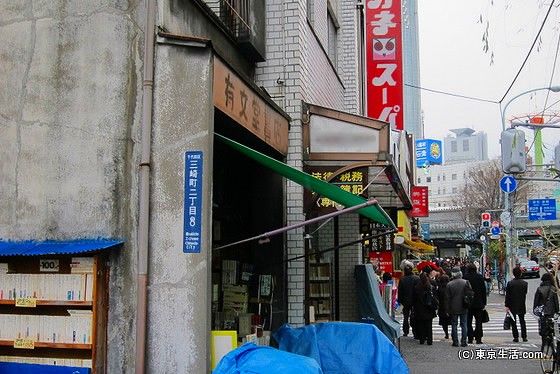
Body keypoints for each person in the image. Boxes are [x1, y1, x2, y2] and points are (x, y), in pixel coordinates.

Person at [446, 266, 473, 347]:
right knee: (464, 324)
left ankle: (455, 341)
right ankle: (464, 341)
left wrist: (447, 309)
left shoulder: (449, 284)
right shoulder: (466, 282)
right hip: (464, 305)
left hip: (453, 307)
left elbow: (447, 299)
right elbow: (471, 294)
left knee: (454, 324)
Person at [534, 272, 560, 348]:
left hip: (543, 313)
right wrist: (557, 312)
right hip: (552, 312)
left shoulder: (539, 289)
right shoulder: (553, 289)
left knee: (543, 329)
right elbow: (556, 302)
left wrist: (536, 311)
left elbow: (536, 302)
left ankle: (544, 343)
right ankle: (552, 343)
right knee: (553, 329)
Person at [463, 263, 487, 344]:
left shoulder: (465, 277)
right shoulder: (479, 277)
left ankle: (470, 337)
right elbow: (483, 290)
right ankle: (478, 338)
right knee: (479, 322)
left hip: (468, 303)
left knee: (468, 322)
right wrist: (484, 302)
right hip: (479, 302)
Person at [412, 272, 437, 345]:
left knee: (421, 325)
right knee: (429, 325)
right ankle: (429, 340)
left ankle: (422, 339)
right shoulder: (431, 287)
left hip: (419, 308)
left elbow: (414, 299)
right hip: (429, 308)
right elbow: (435, 297)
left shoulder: (416, 287)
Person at [505, 266, 528, 342]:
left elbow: (507, 295)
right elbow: (525, 293)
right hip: (521, 303)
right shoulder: (524, 283)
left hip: (512, 304)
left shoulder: (510, 283)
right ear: (520, 273)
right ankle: (524, 337)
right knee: (522, 321)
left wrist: (507, 305)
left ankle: (516, 337)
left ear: (513, 274)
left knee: (513, 321)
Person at [397, 264, 419, 337]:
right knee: (414, 316)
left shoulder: (402, 279)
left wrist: (399, 301)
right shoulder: (416, 278)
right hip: (415, 300)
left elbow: (400, 291)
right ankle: (415, 331)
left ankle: (405, 331)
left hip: (405, 300)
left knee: (405, 317)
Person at [436, 274, 451, 339]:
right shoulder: (450, 287)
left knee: (443, 322)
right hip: (450, 306)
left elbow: (437, 297)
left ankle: (446, 333)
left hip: (442, 306)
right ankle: (453, 334)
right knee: (452, 321)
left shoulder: (439, 288)